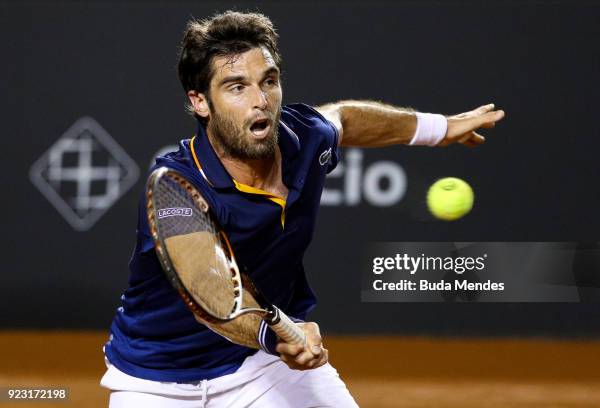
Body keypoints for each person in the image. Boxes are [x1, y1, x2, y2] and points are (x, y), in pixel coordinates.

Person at [100, 10, 505, 408]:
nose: (261, 101)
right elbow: (214, 301)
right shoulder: (176, 185)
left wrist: (438, 128)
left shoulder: (305, 139)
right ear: (200, 101)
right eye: (236, 87)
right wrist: (279, 334)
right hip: (155, 382)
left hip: (261, 367)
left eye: (269, 81)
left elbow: (344, 119)